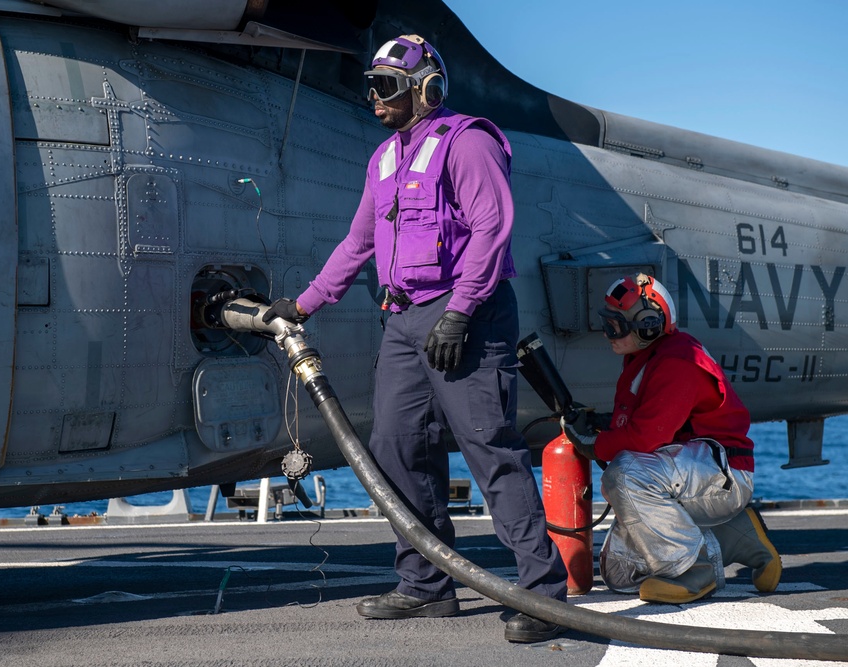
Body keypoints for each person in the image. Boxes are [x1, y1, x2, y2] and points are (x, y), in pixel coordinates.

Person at [264, 34, 568, 642]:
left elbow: (492, 227)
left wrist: (460, 311)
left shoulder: (468, 142)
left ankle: (542, 595)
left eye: (387, 86)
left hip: (467, 315)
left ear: (425, 88)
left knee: (490, 449)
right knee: (397, 445)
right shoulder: (382, 160)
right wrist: (303, 304)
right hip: (402, 320)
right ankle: (426, 586)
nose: (374, 96)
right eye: (372, 85)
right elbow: (358, 244)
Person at [561, 273, 782, 604]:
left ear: (648, 325)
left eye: (616, 325)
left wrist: (594, 445)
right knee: (619, 575)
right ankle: (737, 534)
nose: (608, 334)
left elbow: (647, 436)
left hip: (723, 474)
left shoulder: (678, 359)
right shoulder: (645, 358)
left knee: (623, 476)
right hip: (689, 474)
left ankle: (691, 571)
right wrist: (600, 425)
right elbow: (642, 423)